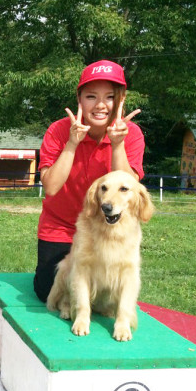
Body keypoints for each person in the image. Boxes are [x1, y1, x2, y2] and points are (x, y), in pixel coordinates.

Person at [33, 60, 145, 302]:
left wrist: (117, 144)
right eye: (91, 96)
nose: (101, 105)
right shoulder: (58, 131)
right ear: (80, 99)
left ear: (121, 99)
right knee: (46, 291)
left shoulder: (132, 134)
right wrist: (72, 143)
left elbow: (130, 188)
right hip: (61, 227)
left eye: (110, 97)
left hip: (106, 226)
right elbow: (51, 187)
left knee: (105, 296)